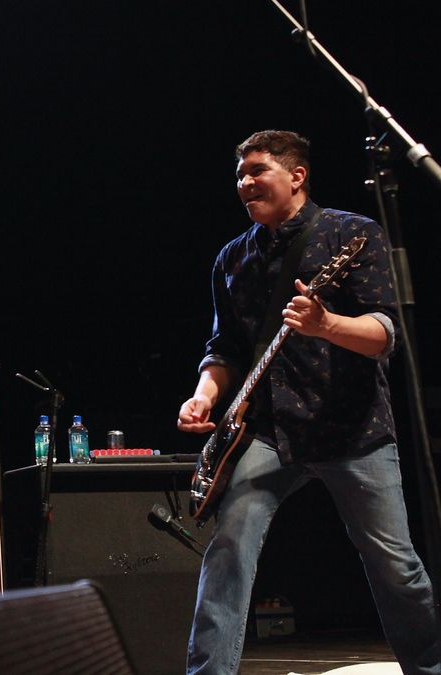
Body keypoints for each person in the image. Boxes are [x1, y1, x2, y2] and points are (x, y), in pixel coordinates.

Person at [177, 129, 441, 674]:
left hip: (352, 429)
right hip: (269, 432)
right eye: (240, 175)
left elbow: (384, 334)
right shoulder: (232, 258)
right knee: (227, 550)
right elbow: (224, 349)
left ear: (297, 176)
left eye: (257, 171)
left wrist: (327, 324)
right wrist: (204, 396)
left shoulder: (353, 234)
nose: (245, 183)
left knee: (395, 565)